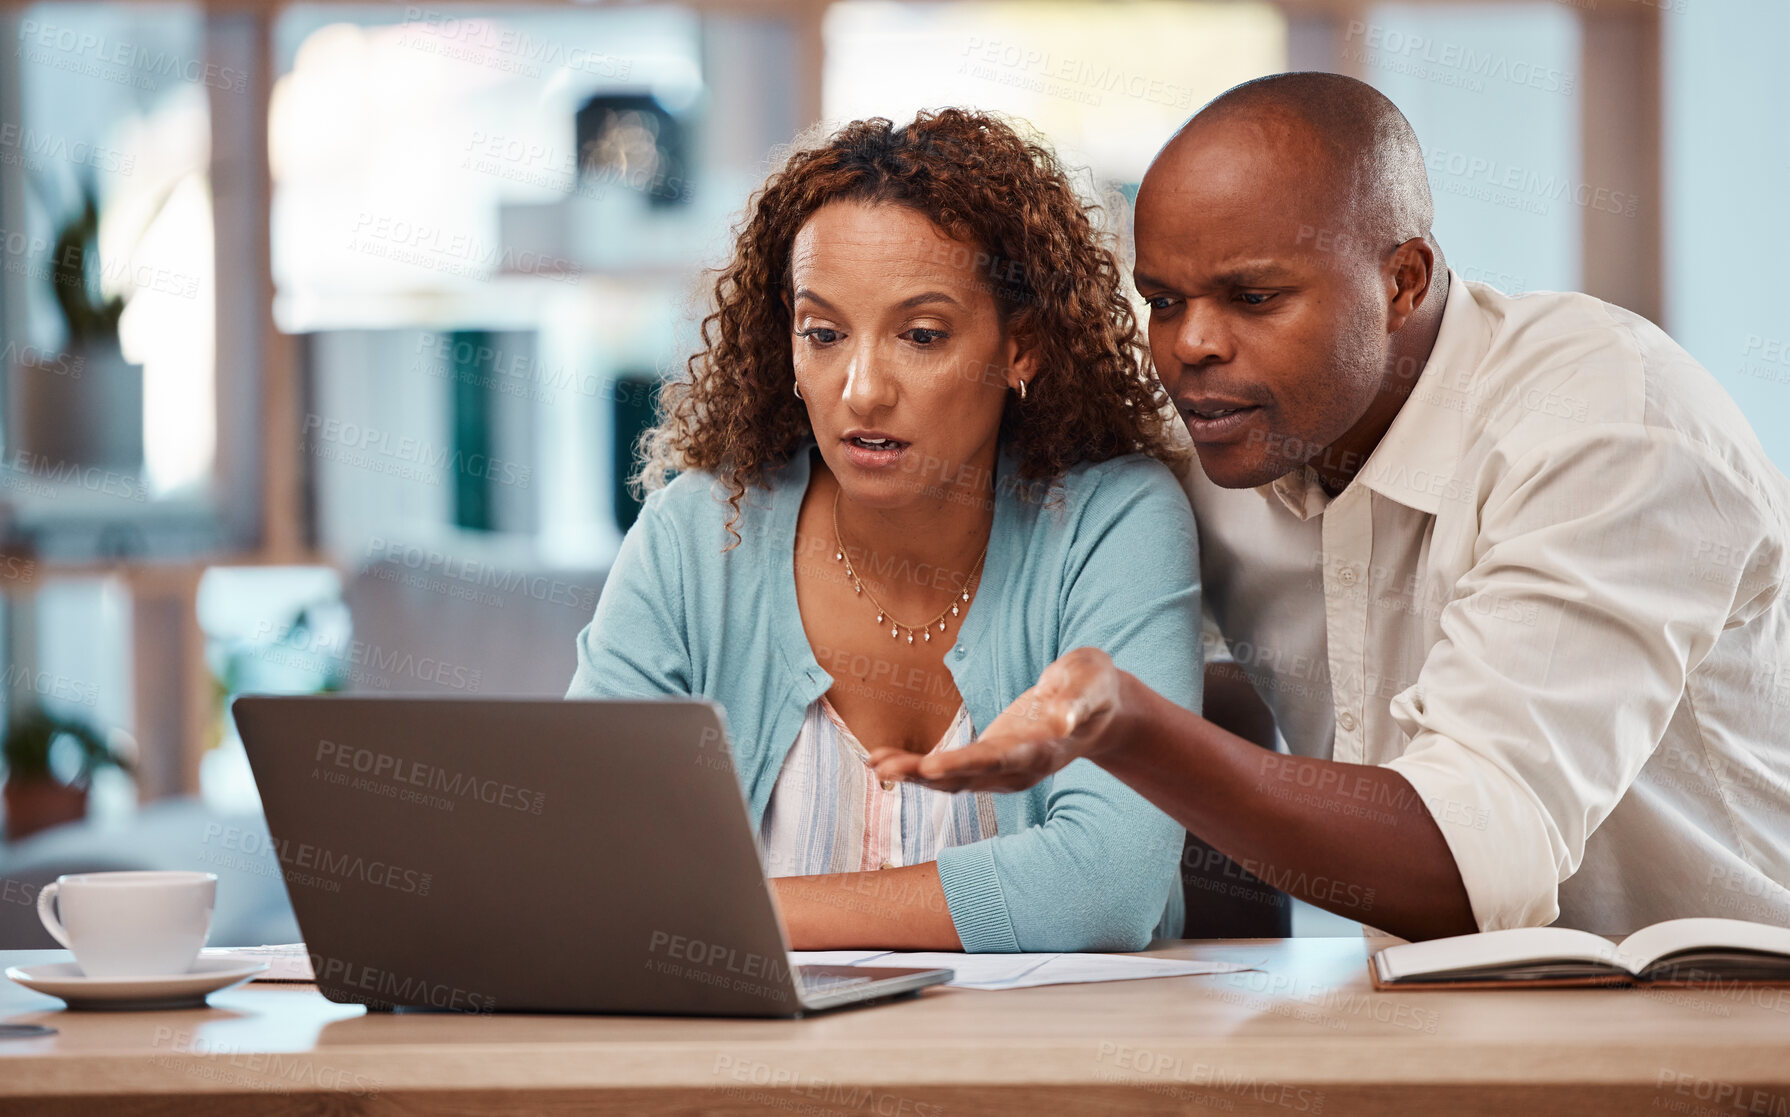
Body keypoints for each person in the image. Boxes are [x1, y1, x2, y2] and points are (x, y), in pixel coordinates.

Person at [874, 72, 1790, 942]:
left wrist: (1132, 728)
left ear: (1403, 282)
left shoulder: (1604, 427)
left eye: (1254, 296)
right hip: (1443, 1022)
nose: (1189, 344)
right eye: (1162, 299)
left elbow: (1466, 869)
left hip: (1733, 1016)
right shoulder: (1212, 436)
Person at [567, 109, 1201, 952]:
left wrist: (728, 914)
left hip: (1050, 1071)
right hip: (743, 1075)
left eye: (922, 335)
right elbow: (580, 854)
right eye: (822, 334)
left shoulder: (1111, 521)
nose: (862, 389)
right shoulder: (698, 532)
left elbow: (1106, 884)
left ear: (1023, 347)